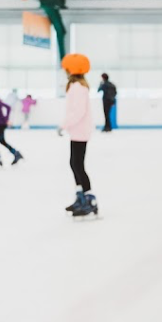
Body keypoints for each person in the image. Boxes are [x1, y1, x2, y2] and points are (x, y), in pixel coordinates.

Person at [58, 54, 98, 217]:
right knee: (74, 164)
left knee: (78, 165)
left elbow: (78, 111)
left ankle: (90, 200)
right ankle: (80, 196)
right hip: (76, 131)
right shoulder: (75, 86)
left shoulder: (78, 88)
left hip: (80, 131)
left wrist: (63, 125)